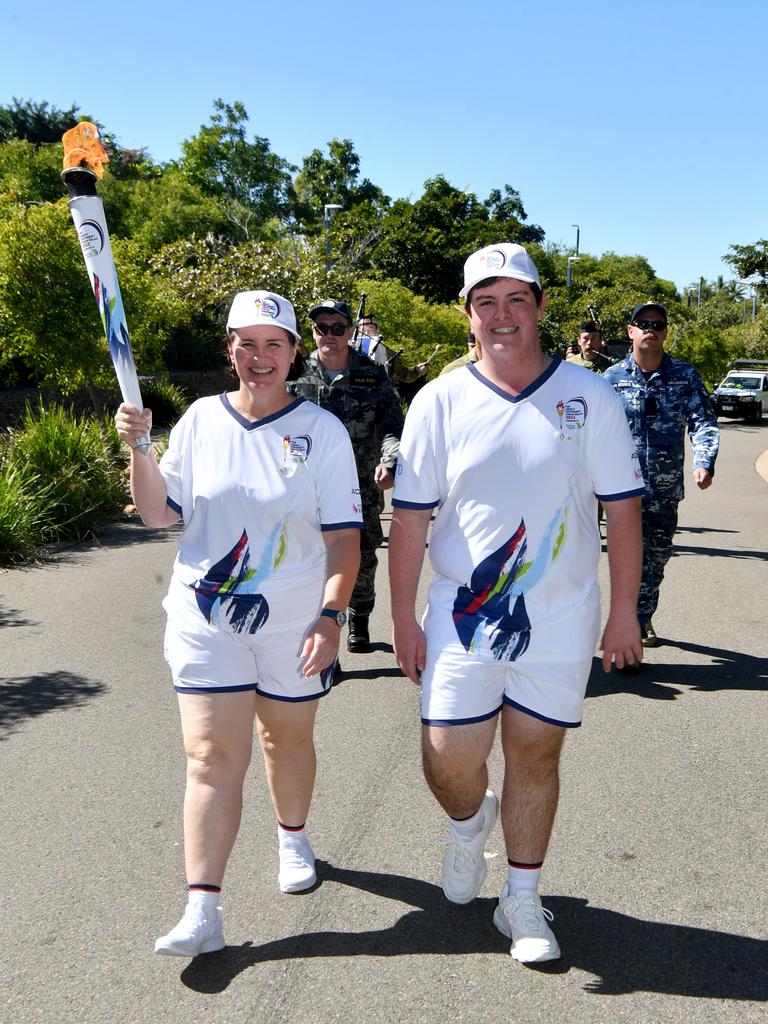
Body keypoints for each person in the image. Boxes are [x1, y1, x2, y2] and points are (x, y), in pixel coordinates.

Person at [389, 242, 645, 964]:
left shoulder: (590, 396)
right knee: (447, 758)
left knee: (535, 753)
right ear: (469, 315)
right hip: (462, 616)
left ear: (537, 307)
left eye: (516, 300)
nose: (502, 315)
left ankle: (523, 900)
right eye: (486, 302)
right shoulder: (439, 399)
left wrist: (624, 611)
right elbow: (409, 518)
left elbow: (622, 511)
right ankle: (470, 825)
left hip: (559, 615)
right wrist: (404, 617)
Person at [115, 290, 361, 957]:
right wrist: (139, 450)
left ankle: (292, 834)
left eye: (273, 344)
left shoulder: (323, 432)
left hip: (294, 625)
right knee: (210, 757)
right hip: (205, 619)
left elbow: (344, 540)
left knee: (285, 743)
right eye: (245, 344)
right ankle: (203, 910)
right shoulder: (199, 421)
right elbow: (158, 514)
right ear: (230, 351)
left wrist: (332, 617)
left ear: (293, 352)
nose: (259, 357)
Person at [287, 299, 404, 657]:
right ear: (313, 332)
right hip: (307, 486)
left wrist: (390, 460)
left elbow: (392, 425)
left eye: (338, 328)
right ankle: (324, 635)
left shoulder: (372, 374)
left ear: (350, 332)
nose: (330, 335)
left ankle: (360, 619)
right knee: (312, 557)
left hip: (360, 484)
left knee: (363, 555)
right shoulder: (293, 374)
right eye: (322, 328)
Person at [602, 303, 719, 648]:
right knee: (626, 556)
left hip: (664, 488)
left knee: (657, 556)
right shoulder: (610, 380)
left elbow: (703, 422)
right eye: (643, 323)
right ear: (630, 331)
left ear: (665, 332)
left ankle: (642, 614)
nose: (650, 329)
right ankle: (629, 621)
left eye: (657, 324)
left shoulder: (685, 376)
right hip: (621, 489)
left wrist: (705, 460)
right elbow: (590, 431)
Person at [353, 314, 429, 384]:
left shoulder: (388, 354)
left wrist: (416, 370)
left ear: (377, 331)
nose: (366, 332)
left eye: (370, 328)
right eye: (362, 330)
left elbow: (404, 375)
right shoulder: (348, 349)